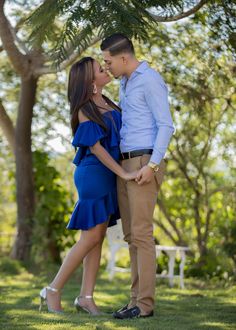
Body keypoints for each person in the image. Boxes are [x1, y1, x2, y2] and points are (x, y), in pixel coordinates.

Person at [39, 57, 137, 315]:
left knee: (98, 237)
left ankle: (86, 297)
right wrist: (123, 175)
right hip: (94, 173)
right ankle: (52, 289)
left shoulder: (109, 102)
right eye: (99, 69)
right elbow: (96, 148)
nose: (105, 70)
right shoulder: (85, 109)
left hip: (108, 175)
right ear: (89, 80)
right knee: (91, 236)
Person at [101, 34, 175, 319]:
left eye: (108, 61)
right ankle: (134, 301)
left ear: (123, 57)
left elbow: (166, 125)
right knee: (132, 235)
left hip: (144, 162)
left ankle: (144, 305)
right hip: (126, 164)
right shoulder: (125, 82)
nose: (106, 66)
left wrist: (152, 165)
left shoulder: (150, 79)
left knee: (142, 236)